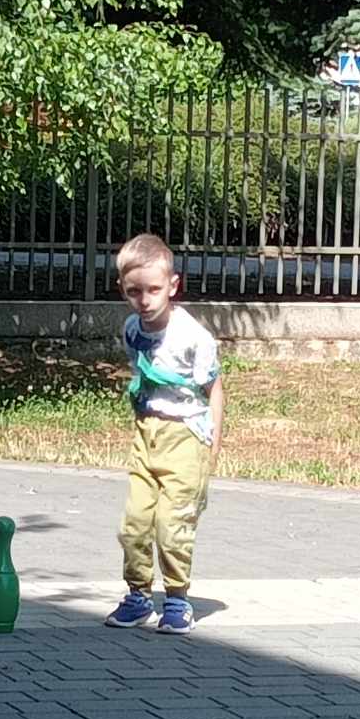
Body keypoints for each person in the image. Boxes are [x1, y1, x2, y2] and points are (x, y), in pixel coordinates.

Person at [105, 232, 223, 635]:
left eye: (153, 290)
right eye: (134, 291)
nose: (144, 300)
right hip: (147, 433)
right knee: (135, 522)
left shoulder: (193, 337)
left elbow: (214, 390)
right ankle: (138, 596)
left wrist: (213, 445)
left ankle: (176, 598)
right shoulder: (132, 329)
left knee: (173, 525)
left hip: (185, 436)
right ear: (122, 288)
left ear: (173, 285)